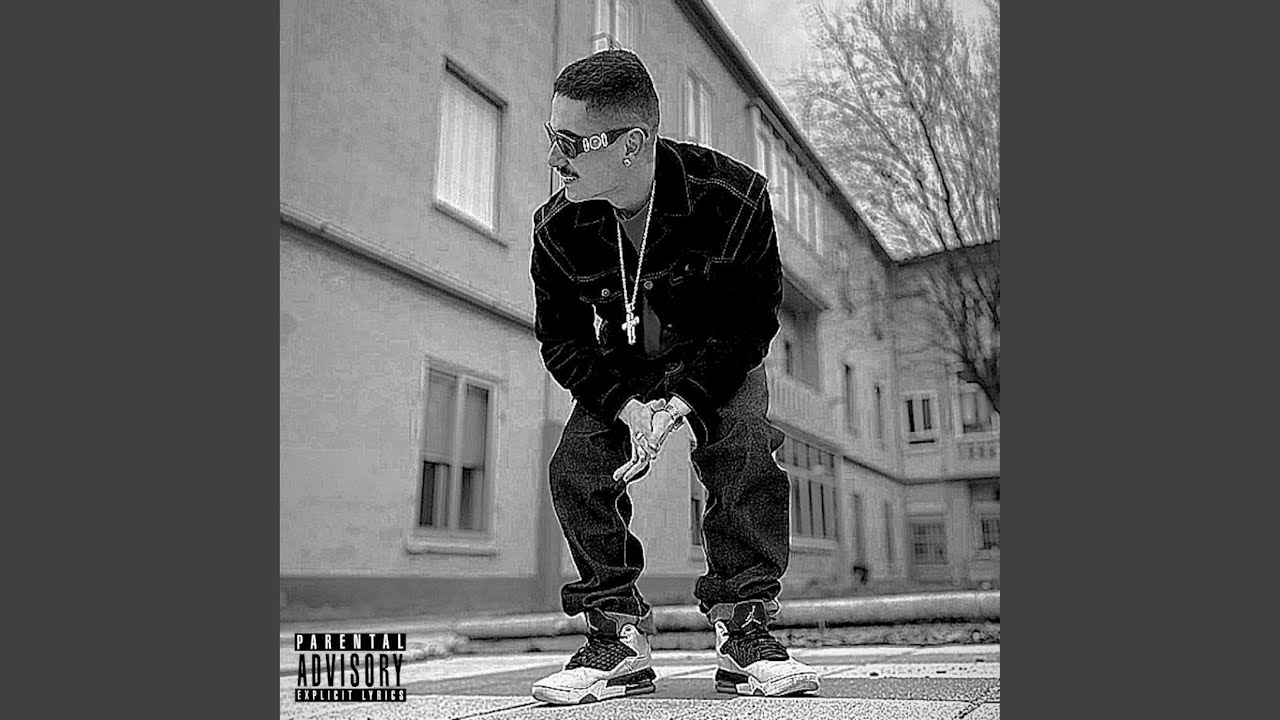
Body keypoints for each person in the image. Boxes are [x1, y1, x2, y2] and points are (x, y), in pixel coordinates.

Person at [528, 50, 819, 705]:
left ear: (632, 144)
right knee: (575, 466)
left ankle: (744, 632)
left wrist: (684, 401)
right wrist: (628, 407)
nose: (554, 158)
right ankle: (617, 640)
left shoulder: (734, 200)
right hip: (624, 364)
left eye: (570, 143)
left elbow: (749, 325)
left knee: (743, 443)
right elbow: (562, 341)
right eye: (552, 137)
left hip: (714, 357)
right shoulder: (557, 232)